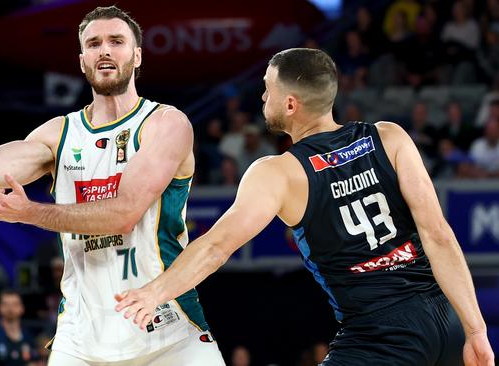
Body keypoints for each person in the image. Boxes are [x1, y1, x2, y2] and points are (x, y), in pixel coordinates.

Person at [115, 48, 495, 366]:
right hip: (446, 323)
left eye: (267, 90)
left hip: (378, 337)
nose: (262, 98)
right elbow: (439, 237)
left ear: (291, 104)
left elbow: (216, 247)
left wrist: (153, 294)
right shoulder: (390, 137)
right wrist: (476, 330)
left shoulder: (278, 173)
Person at [0, 5, 223, 365]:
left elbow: (124, 213)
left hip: (169, 332)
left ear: (137, 55)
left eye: (117, 41)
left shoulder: (166, 123)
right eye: (94, 44)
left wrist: (31, 213)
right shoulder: (58, 135)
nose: (105, 50)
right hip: (81, 340)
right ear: (83, 60)